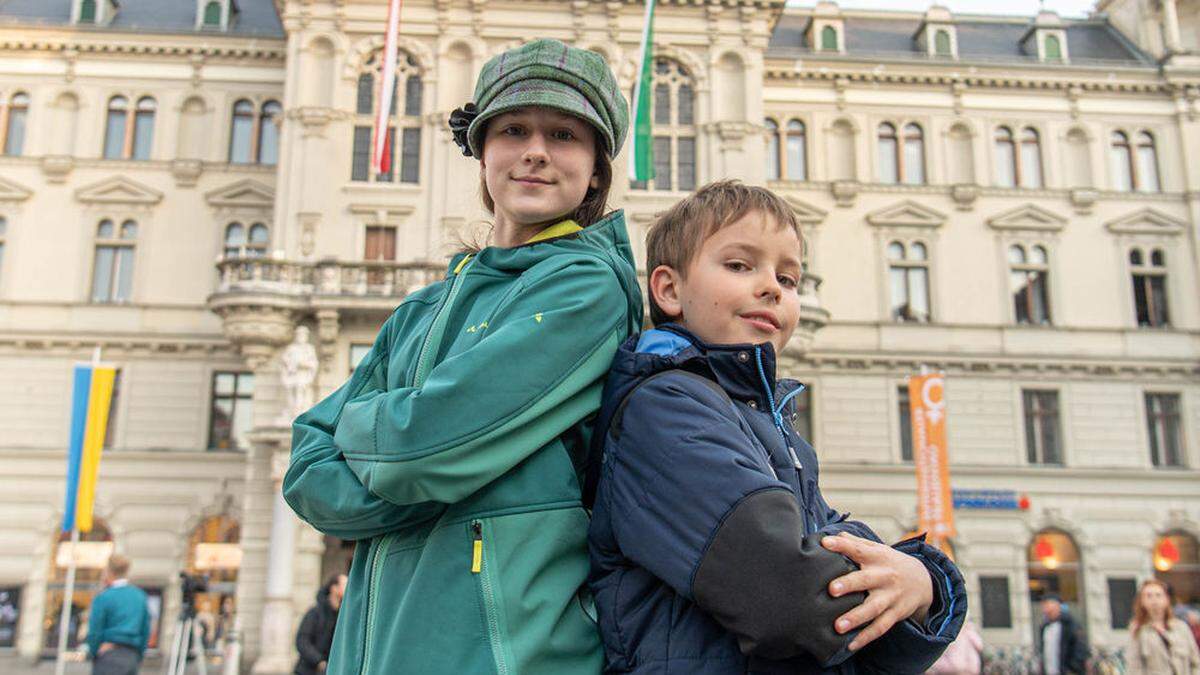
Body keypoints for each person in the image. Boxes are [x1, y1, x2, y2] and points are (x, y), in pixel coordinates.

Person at [283, 38, 640, 674]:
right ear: (482, 154)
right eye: (512, 129)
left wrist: (369, 434)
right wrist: (444, 466)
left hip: (507, 656)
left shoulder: (587, 287)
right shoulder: (422, 308)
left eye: (562, 133)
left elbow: (419, 448)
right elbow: (307, 465)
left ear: (595, 168)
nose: (534, 150)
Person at [587, 180, 966, 674]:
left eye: (788, 279)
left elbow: (856, 626)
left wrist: (920, 582)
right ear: (670, 289)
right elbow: (791, 596)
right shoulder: (664, 406)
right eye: (740, 265)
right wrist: (917, 577)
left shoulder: (766, 422)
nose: (771, 286)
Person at [85, 554, 150, 675]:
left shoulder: (104, 597)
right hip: (132, 655)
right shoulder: (139, 596)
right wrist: (138, 654)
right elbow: (145, 629)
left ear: (109, 572)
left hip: (108, 654)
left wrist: (94, 651)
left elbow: (95, 629)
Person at [1128, 580, 1200, 674]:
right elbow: (1135, 668)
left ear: (1167, 599)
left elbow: (1195, 662)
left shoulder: (1181, 627)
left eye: (1158, 595)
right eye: (1149, 596)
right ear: (1142, 601)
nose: (1154, 600)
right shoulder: (1138, 630)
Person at [294, 574, 346, 675]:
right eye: (344, 584)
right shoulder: (315, 613)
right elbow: (302, 641)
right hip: (307, 671)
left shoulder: (343, 615)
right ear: (334, 588)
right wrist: (319, 661)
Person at [1036, 595, 1088, 675]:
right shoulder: (1044, 627)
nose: (1045, 610)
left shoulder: (1069, 625)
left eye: (1048, 607)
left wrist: (1073, 669)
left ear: (1057, 607)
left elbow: (1079, 648)